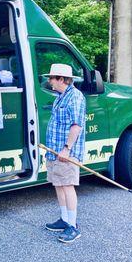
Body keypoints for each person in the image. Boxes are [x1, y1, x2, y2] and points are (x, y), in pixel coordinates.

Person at [43, 63, 86, 243]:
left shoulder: (74, 97)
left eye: (52, 78)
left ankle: (73, 226)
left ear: (61, 79)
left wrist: (66, 149)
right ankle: (64, 219)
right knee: (59, 184)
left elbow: (76, 126)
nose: (49, 81)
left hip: (66, 152)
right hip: (55, 152)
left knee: (67, 186)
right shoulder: (60, 96)